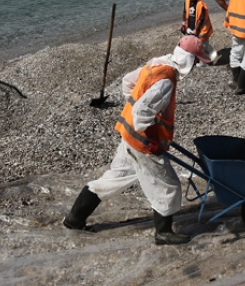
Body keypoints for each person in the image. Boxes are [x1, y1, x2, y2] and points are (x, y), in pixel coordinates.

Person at [63, 35, 211, 245]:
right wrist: (148, 135)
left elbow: (128, 82)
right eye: (196, 60)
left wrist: (134, 108)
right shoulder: (166, 79)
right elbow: (142, 111)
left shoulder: (157, 64)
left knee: (114, 177)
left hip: (128, 136)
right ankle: (163, 233)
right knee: (167, 186)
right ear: (189, 59)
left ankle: (74, 219)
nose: (196, 64)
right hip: (142, 143)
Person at [181, 0, 218, 64]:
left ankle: (203, 63)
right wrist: (184, 23)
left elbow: (200, 19)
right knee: (194, 45)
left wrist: (195, 30)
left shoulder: (201, 4)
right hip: (190, 27)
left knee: (202, 46)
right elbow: (184, 12)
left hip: (202, 29)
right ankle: (199, 58)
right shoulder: (186, 1)